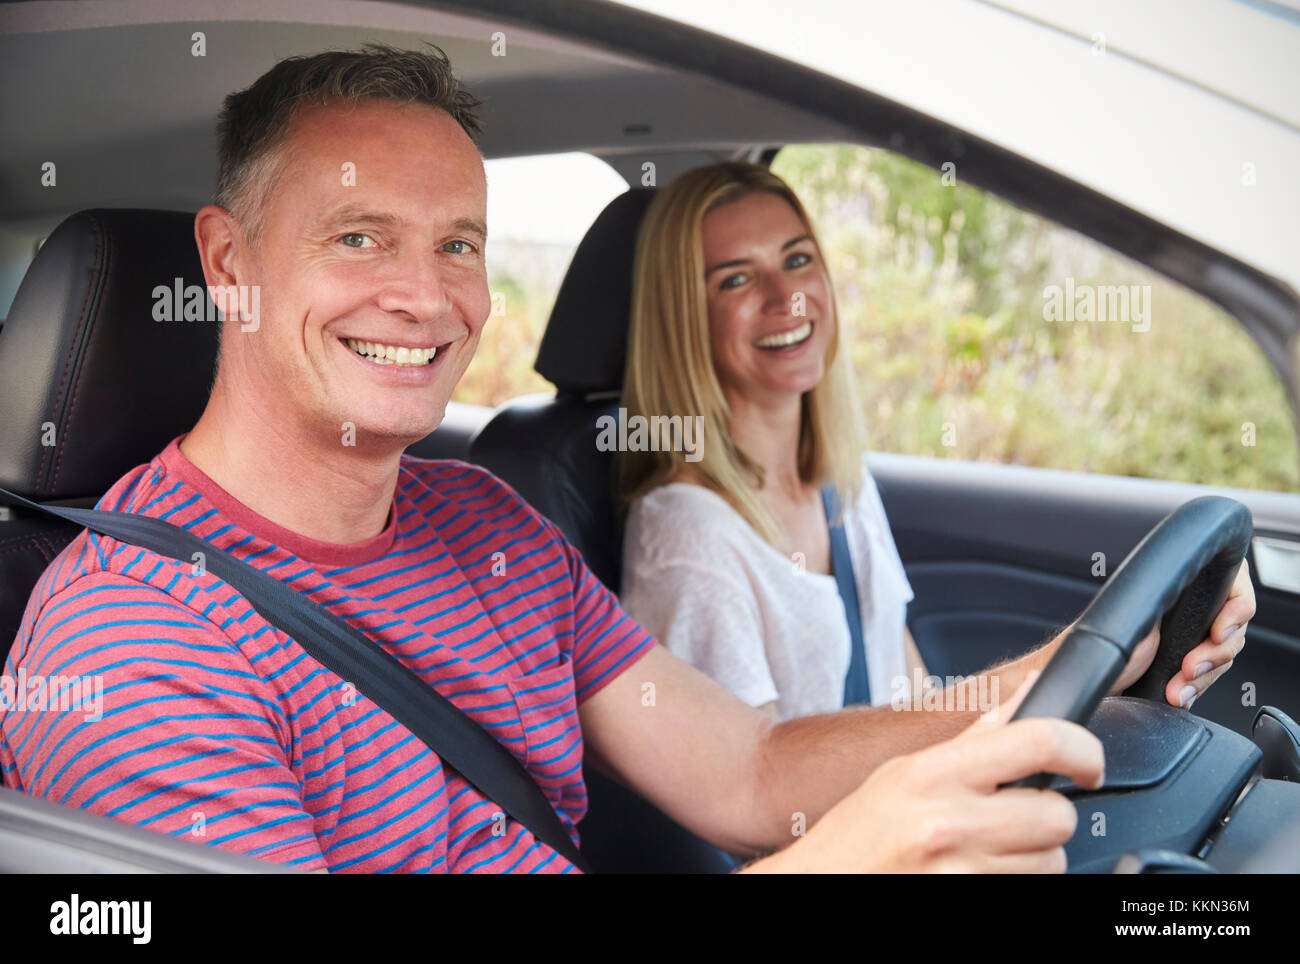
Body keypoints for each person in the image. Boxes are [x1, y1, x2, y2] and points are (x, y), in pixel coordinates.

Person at [0, 45, 1254, 874]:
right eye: (361, 235)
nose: (425, 298)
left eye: (456, 246)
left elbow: (753, 767)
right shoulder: (130, 650)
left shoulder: (486, 525)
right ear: (228, 264)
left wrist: (1070, 666)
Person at [619, 162, 921, 721]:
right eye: (736, 278)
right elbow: (758, 787)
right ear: (688, 319)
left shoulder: (843, 483)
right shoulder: (691, 539)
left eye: (798, 260)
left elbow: (911, 691)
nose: (789, 298)